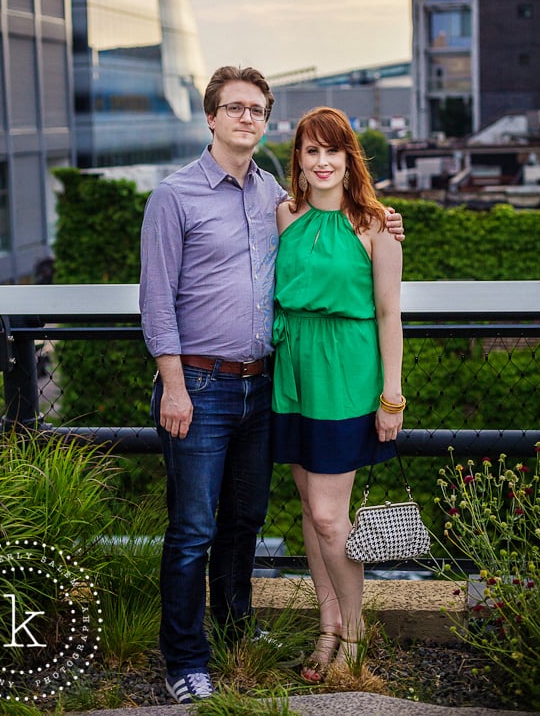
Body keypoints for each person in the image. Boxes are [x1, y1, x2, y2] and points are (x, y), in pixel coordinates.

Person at [139, 68, 404, 703]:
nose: (247, 118)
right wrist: (173, 385)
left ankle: (247, 636)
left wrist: (384, 223)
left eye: (258, 109)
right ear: (210, 117)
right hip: (206, 387)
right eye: (235, 108)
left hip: (274, 385)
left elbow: (383, 299)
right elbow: (155, 303)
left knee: (247, 521)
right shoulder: (179, 197)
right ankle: (186, 660)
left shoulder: (271, 197)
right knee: (194, 529)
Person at [271, 106, 405, 684]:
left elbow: (388, 314)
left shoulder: (375, 225)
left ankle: (353, 634)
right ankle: (327, 627)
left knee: (330, 517)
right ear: (298, 161)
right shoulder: (284, 215)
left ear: (350, 157)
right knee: (308, 506)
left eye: (334, 150)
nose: (322, 162)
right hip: (291, 370)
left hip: (346, 376)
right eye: (311, 151)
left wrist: (391, 395)